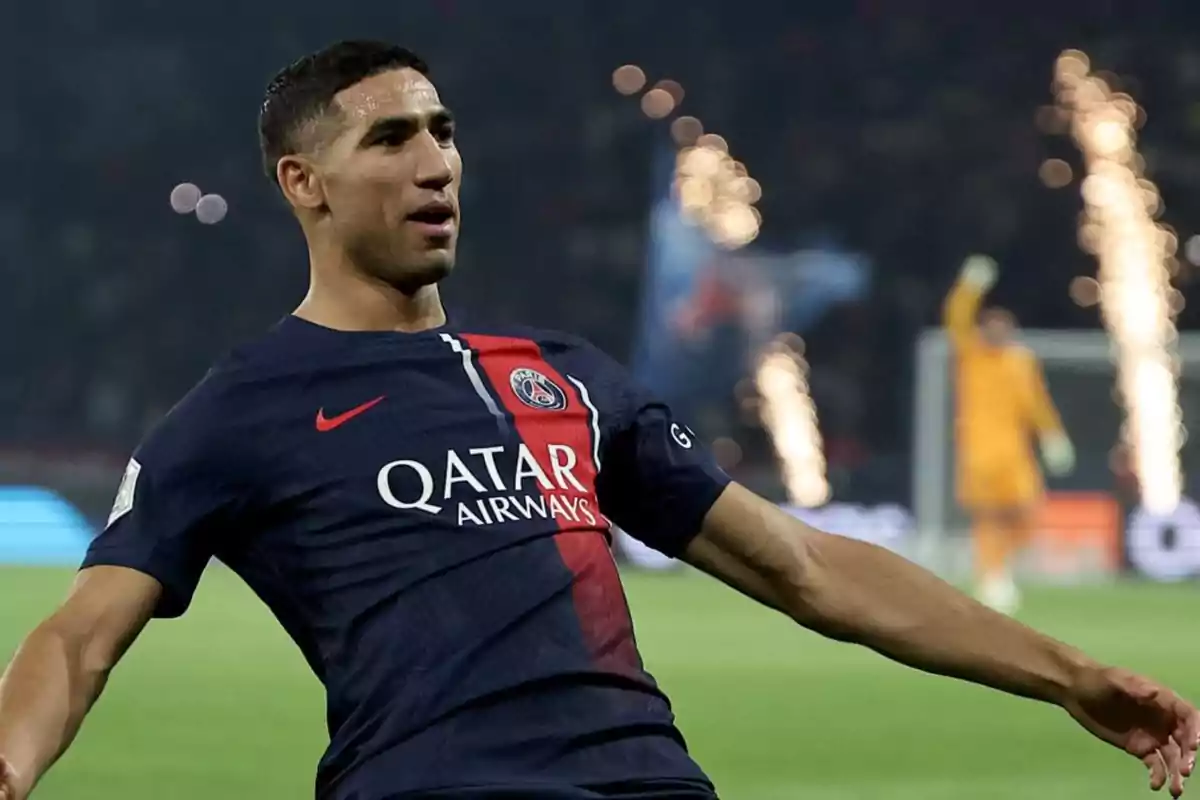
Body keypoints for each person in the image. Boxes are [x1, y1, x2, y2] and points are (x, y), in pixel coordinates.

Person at [0, 41, 1196, 800]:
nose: (436, 162)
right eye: (391, 138)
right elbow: (80, 635)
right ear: (301, 183)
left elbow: (808, 566)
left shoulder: (559, 378)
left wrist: (1066, 672)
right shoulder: (238, 410)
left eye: (445, 131)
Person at [944, 254, 1077, 614]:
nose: (999, 332)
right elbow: (956, 316)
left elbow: (1037, 404)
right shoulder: (970, 356)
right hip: (978, 455)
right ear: (984, 329)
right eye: (993, 326)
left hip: (1015, 456)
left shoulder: (1020, 362)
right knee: (987, 520)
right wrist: (970, 286)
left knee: (1028, 516)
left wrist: (1053, 437)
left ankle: (998, 569)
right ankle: (991, 577)